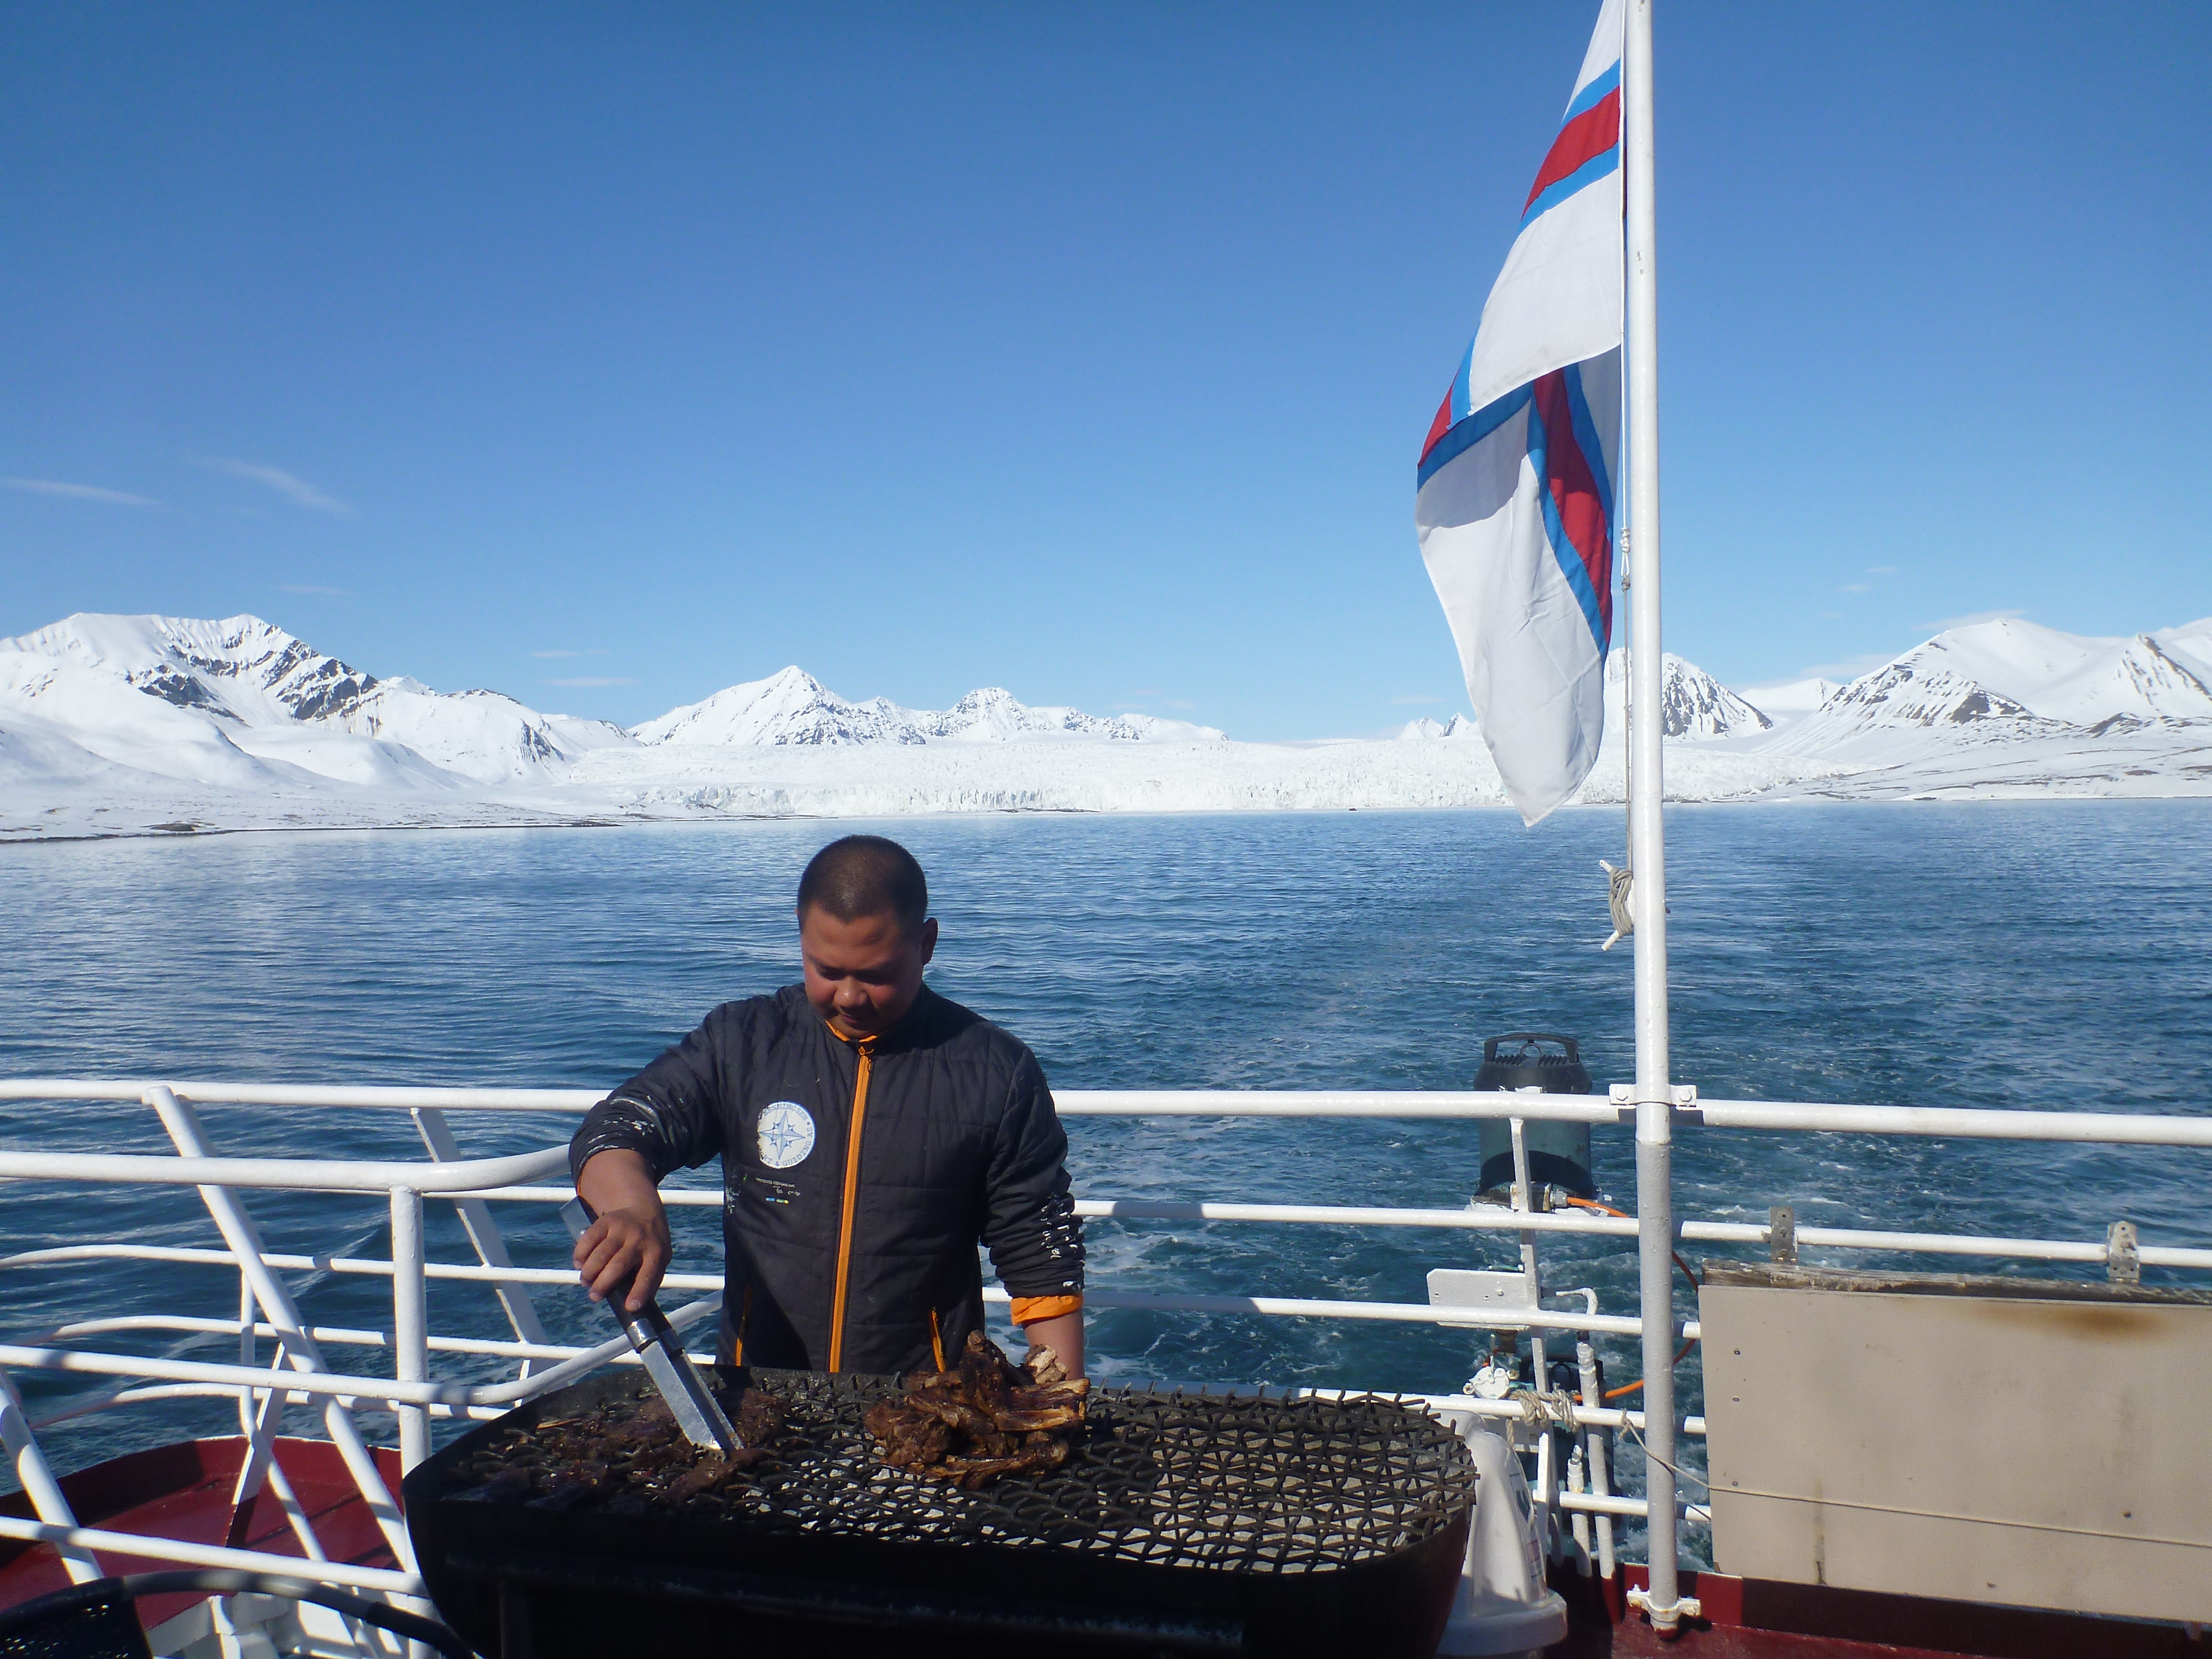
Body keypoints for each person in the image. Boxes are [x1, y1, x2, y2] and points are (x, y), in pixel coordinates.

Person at [567, 834, 1086, 1377]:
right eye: (827, 970)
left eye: (877, 974)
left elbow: (1041, 1255)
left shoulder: (998, 1072)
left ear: (926, 944)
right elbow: (617, 1129)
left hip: (928, 1404)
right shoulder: (740, 1043)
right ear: (800, 932)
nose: (849, 997)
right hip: (760, 1393)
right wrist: (631, 1207)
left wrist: (1061, 1403)